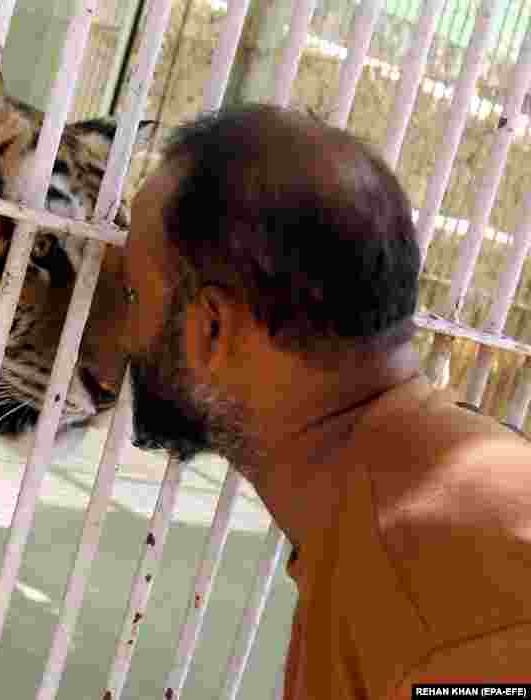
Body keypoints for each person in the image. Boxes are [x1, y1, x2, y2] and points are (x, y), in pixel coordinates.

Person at [119, 103, 531, 699]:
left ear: (211, 331)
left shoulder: (430, 572)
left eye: (133, 294)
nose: (117, 333)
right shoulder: (411, 500)